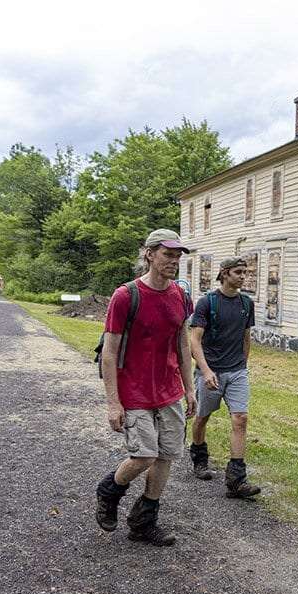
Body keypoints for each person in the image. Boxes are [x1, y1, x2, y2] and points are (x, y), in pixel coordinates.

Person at [95, 228, 196, 546]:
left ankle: (143, 521)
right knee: (144, 456)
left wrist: (189, 388)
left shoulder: (180, 295)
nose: (174, 261)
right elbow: (109, 352)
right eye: (168, 254)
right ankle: (110, 489)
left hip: (168, 391)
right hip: (135, 391)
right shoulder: (126, 296)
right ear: (150, 254)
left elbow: (182, 342)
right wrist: (113, 402)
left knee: (166, 454)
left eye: (178, 255)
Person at [188, 256, 261, 499]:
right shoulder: (207, 303)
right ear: (225, 273)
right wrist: (206, 370)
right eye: (238, 272)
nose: (243, 276)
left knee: (240, 419)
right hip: (211, 371)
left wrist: (243, 365)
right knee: (202, 418)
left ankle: (236, 480)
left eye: (245, 272)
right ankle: (199, 458)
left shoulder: (246, 303)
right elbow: (194, 341)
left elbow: (246, 337)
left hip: (237, 371)